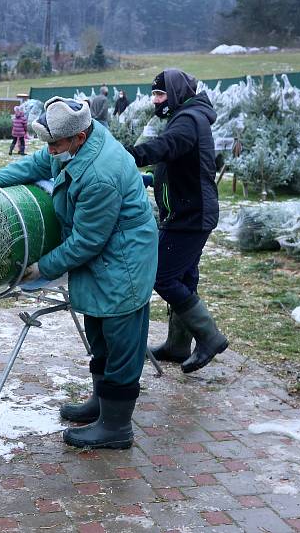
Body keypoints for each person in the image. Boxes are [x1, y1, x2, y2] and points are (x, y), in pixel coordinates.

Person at [0, 97, 158, 449]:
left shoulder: (99, 174)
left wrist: (41, 268)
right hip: (104, 254)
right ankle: (101, 403)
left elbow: (86, 241)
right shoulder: (74, 145)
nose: (50, 150)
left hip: (124, 259)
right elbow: (37, 163)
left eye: (56, 144)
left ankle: (116, 427)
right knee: (98, 328)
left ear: (79, 139)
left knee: (121, 336)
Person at [124, 68, 228, 374]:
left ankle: (209, 337)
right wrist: (148, 178)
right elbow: (177, 165)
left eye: (160, 94)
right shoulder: (188, 117)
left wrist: (126, 156)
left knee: (162, 276)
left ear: (176, 93)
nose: (155, 100)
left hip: (190, 216)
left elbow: (165, 147)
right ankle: (177, 345)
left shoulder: (188, 120)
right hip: (185, 212)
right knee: (182, 279)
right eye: (154, 94)